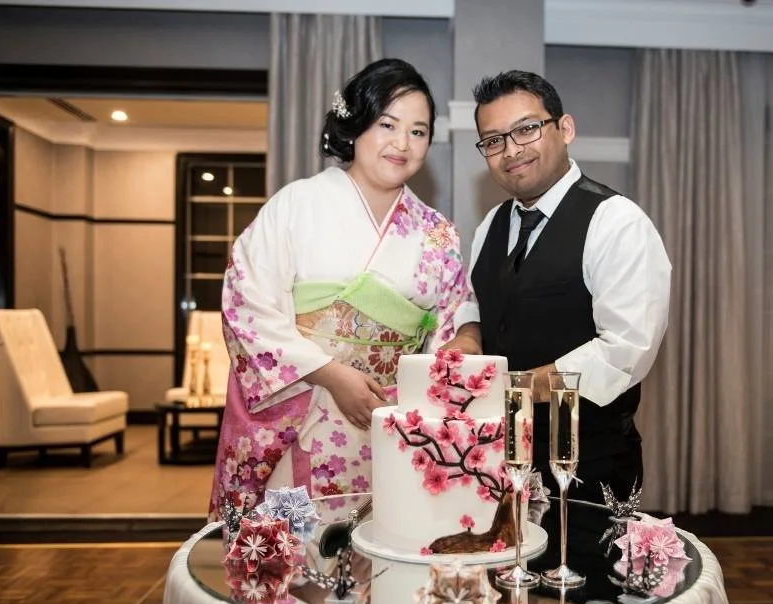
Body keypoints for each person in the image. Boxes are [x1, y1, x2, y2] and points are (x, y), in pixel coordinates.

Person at [209, 58, 470, 520]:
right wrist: (332, 374)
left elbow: (452, 321)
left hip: (391, 420)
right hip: (306, 407)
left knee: (382, 558)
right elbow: (246, 303)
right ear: (356, 125)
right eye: (387, 124)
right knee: (300, 558)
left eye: (418, 131)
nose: (402, 143)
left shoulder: (437, 232)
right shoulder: (297, 204)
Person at [444, 70, 671, 503]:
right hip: (498, 461)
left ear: (564, 128)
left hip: (588, 465)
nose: (511, 151)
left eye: (526, 129)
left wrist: (516, 389)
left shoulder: (615, 221)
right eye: (493, 140)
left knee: (580, 572)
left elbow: (625, 349)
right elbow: (480, 302)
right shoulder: (492, 223)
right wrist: (467, 335)